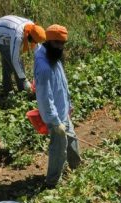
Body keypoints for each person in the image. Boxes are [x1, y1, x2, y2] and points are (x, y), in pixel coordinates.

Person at [34, 24, 80, 189]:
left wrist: (69, 104)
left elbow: (61, 83)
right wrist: (55, 122)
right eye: (57, 44)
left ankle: (77, 168)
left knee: (72, 139)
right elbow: (45, 98)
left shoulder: (53, 55)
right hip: (56, 117)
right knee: (58, 150)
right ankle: (52, 183)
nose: (60, 47)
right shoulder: (44, 67)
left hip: (63, 110)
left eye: (63, 44)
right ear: (49, 41)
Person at [0, 15, 46, 94]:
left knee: (7, 63)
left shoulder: (33, 29)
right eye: (34, 41)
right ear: (29, 36)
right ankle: (23, 91)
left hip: (7, 29)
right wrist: (24, 80)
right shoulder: (18, 35)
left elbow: (38, 51)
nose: (34, 43)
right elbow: (15, 59)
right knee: (16, 63)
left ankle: (7, 89)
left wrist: (37, 74)